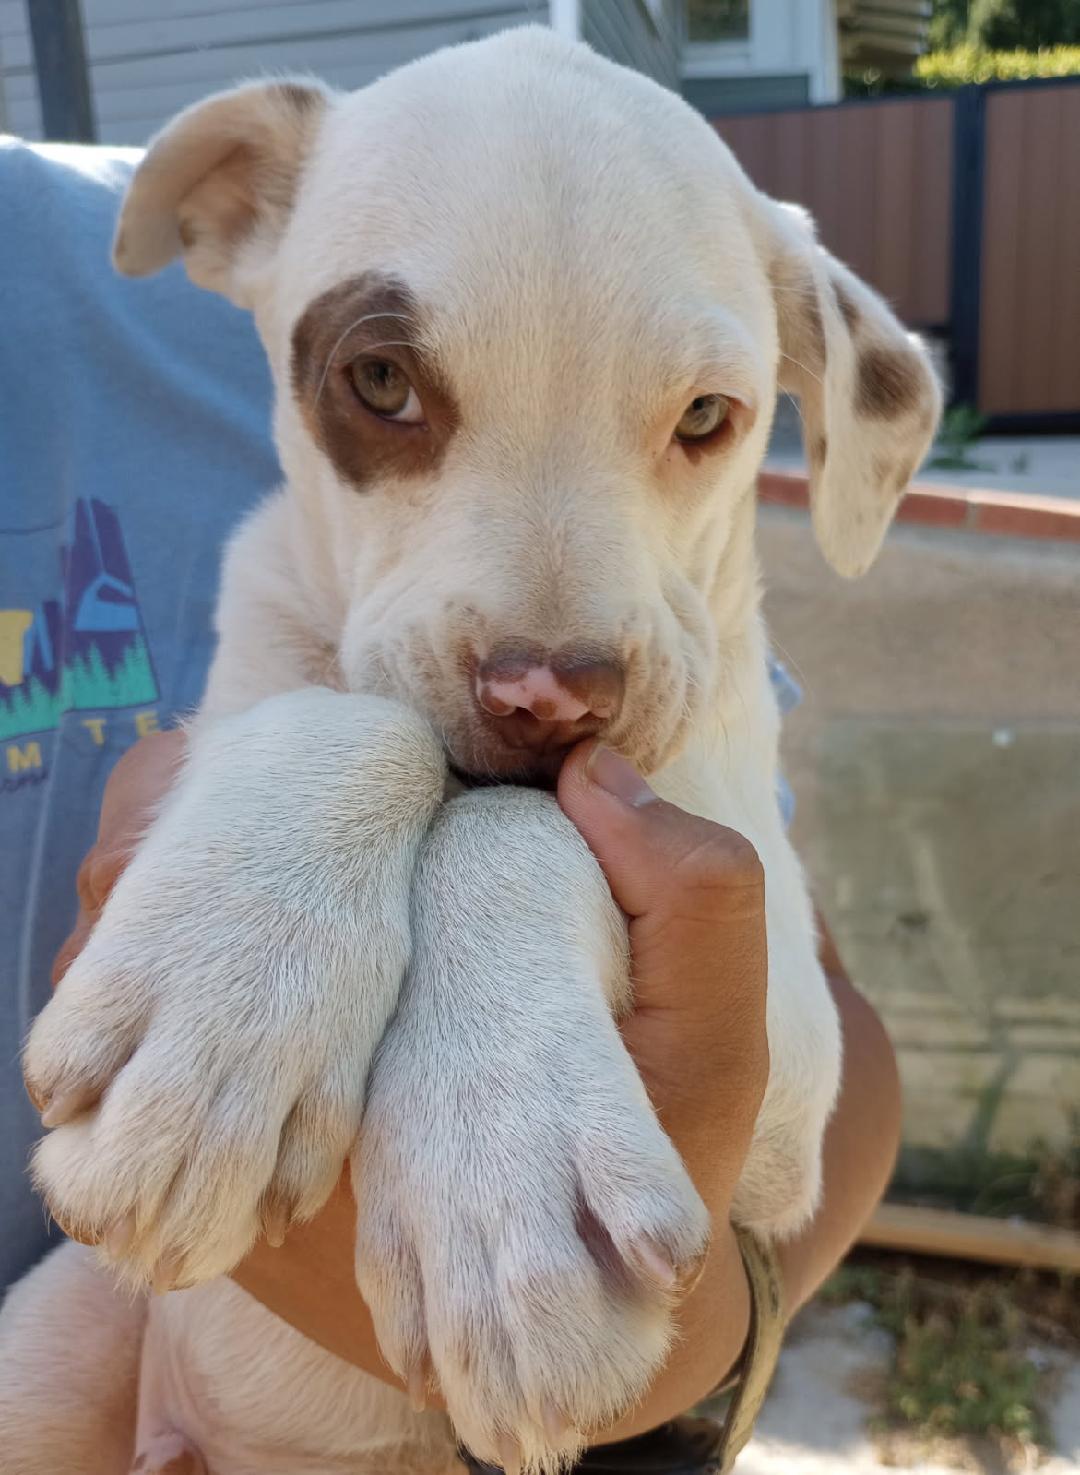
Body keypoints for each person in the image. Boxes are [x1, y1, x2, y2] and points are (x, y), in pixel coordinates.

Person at [0, 137, 900, 1470]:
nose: (546, 675)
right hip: (108, 1349)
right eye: (384, 383)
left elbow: (780, 1010)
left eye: (700, 422)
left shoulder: (438, 210)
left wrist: (698, 1344)